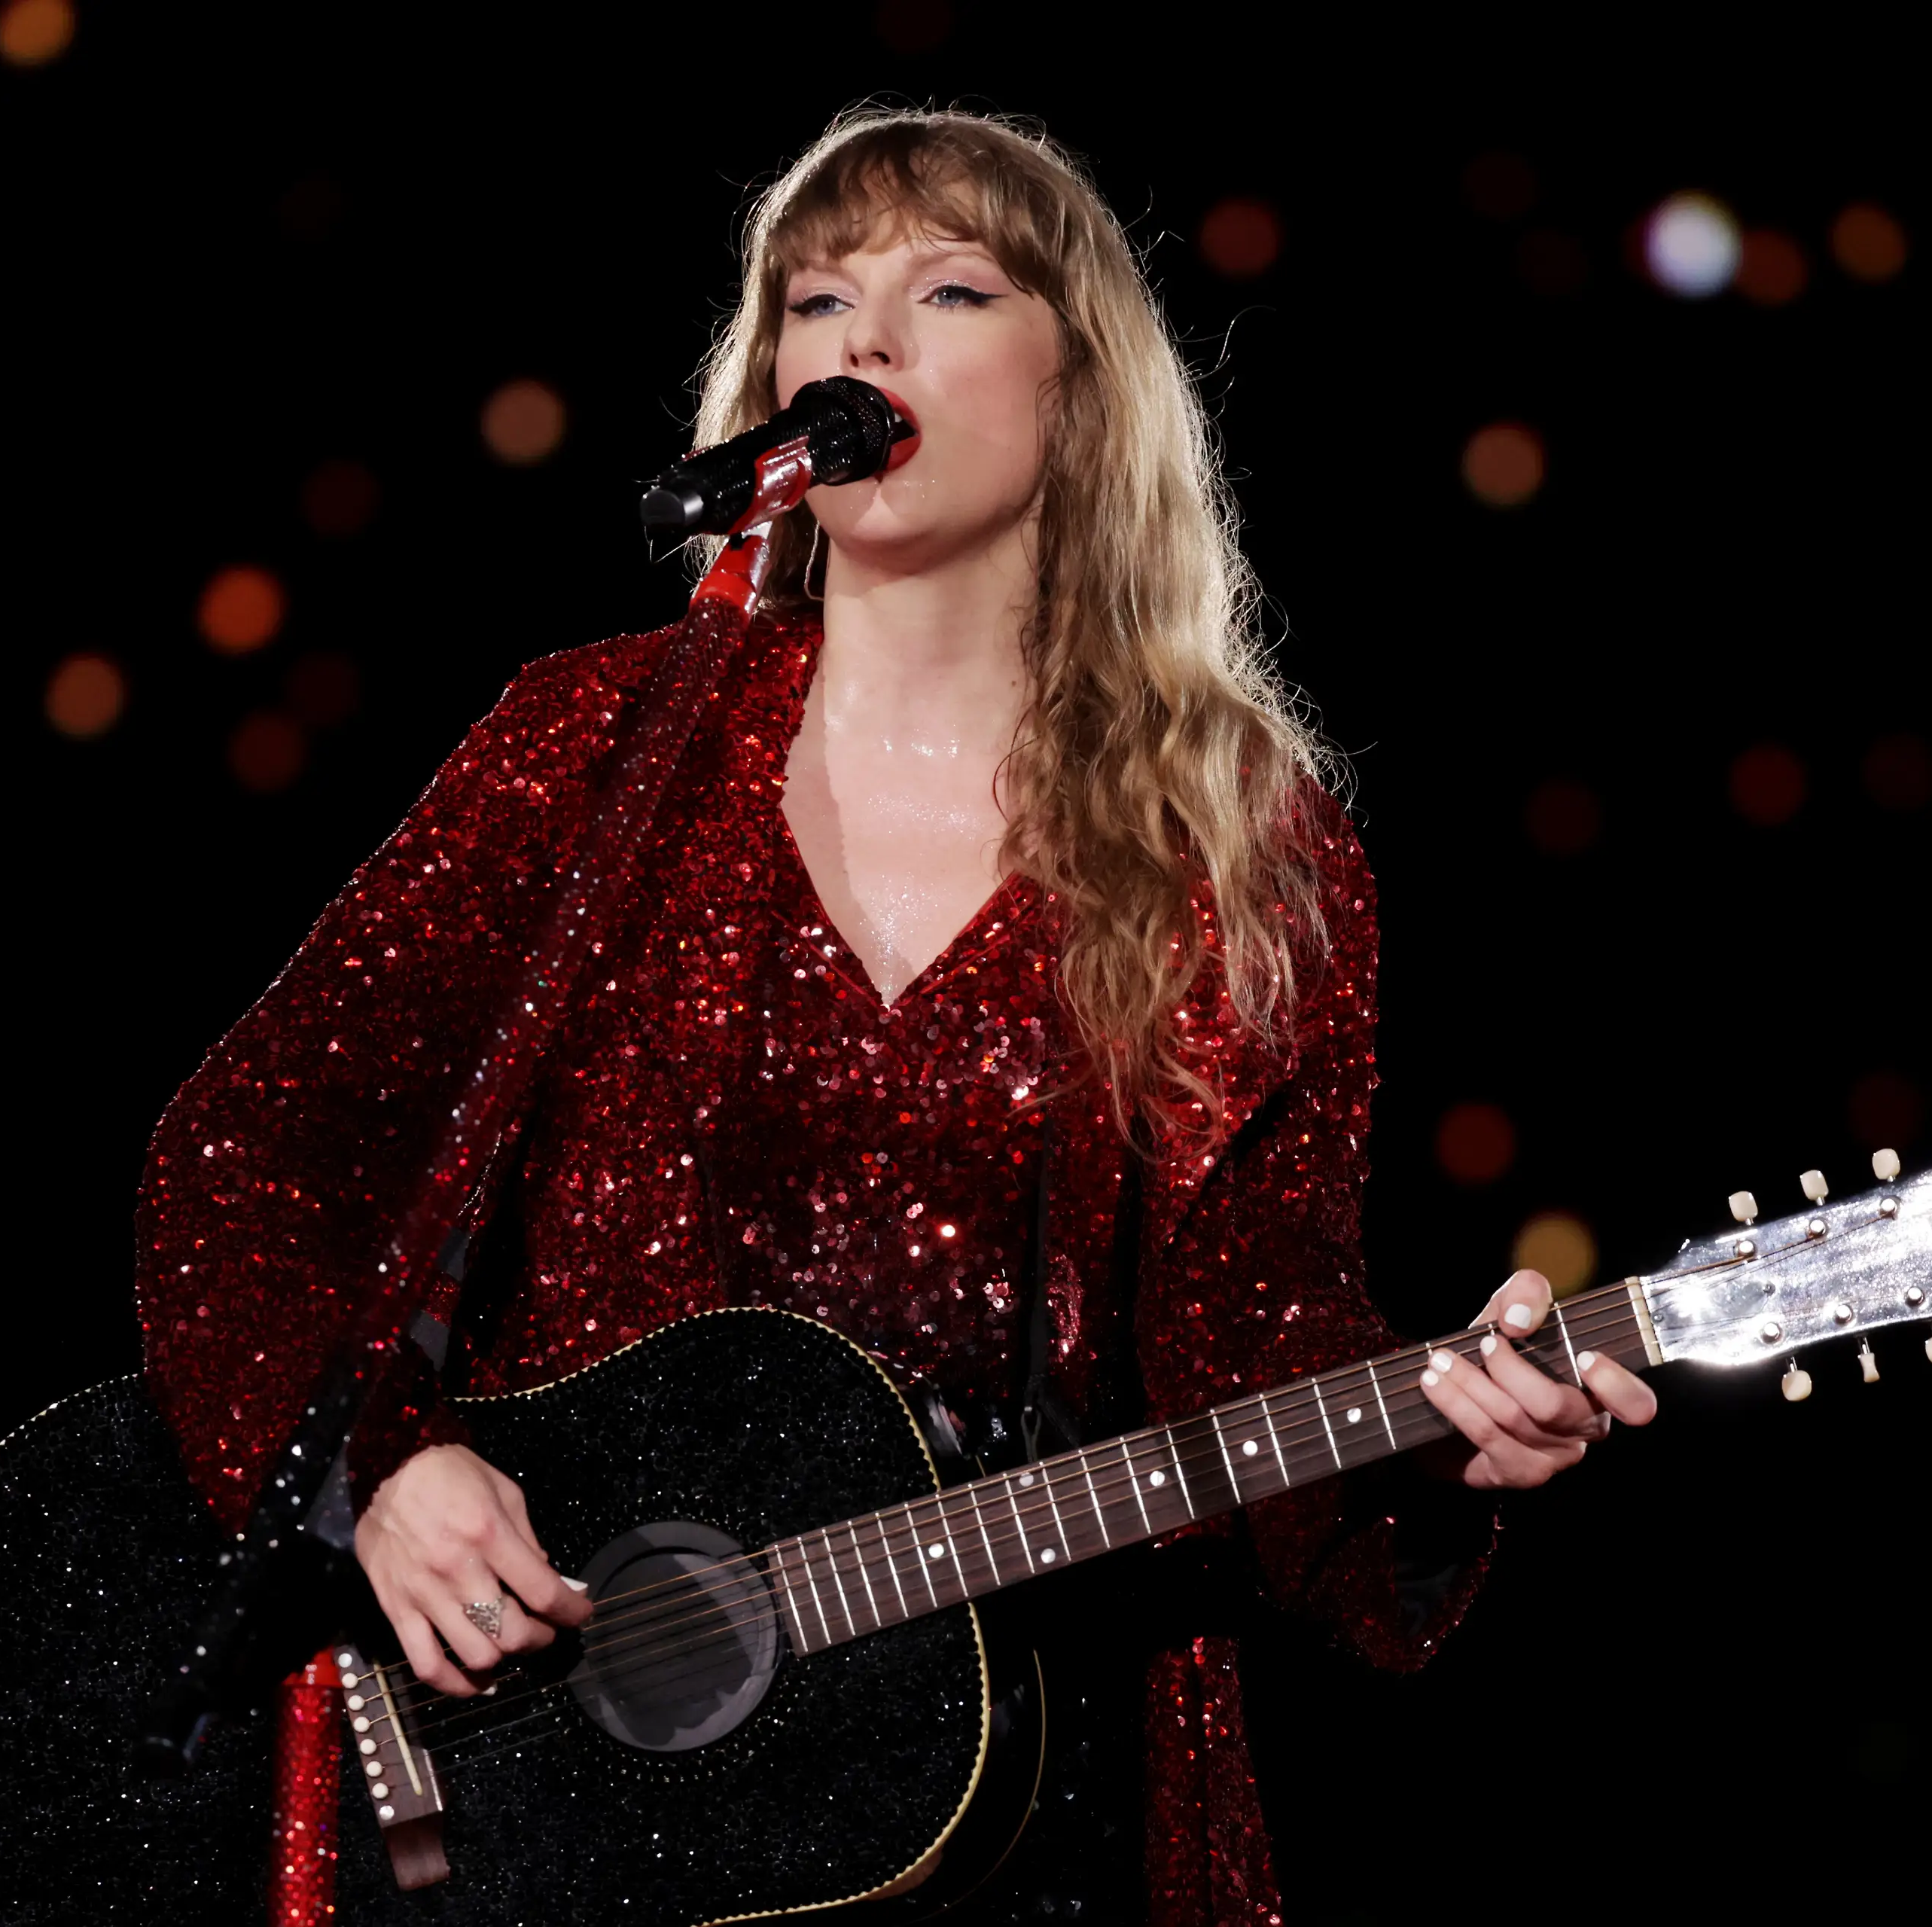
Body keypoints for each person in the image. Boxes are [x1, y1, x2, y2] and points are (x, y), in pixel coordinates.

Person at [137, 107, 1654, 1921]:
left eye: (946, 288)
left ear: (1077, 390)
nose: (858, 342)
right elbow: (244, 1158)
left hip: (1018, 1806)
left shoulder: (1235, 841)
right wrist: (383, 1475)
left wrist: (1450, 1446)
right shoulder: (595, 746)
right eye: (815, 298)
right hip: (553, 1796)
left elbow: (1259, 1349)